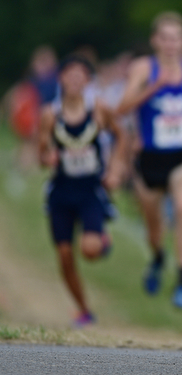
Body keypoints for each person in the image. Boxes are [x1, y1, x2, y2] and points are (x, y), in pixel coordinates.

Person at [117, 12, 182, 309]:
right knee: (154, 225)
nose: (171, 44)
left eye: (176, 38)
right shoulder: (144, 68)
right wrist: (154, 88)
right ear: (155, 40)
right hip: (150, 159)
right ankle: (158, 258)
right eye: (165, 38)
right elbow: (122, 107)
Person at [38, 54, 126, 327]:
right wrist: (47, 156)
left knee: (89, 250)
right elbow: (42, 150)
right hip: (61, 190)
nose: (75, 81)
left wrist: (115, 170)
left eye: (81, 76)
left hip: (90, 189)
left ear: (88, 81)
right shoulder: (50, 114)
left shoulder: (98, 109)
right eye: (70, 75)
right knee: (64, 254)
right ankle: (83, 309)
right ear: (61, 78)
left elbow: (121, 136)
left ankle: (100, 240)